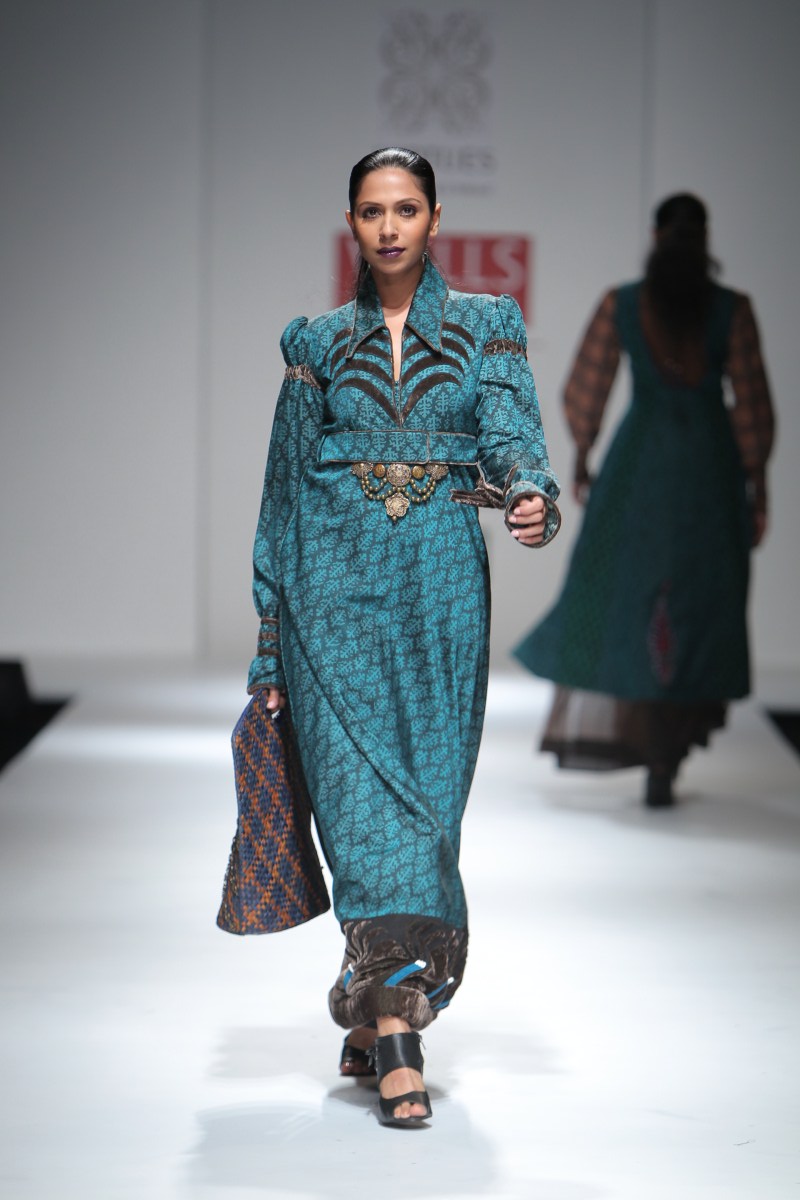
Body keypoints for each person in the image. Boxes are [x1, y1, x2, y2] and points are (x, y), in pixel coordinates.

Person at [246, 147, 560, 1125]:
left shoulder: (485, 325)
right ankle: (396, 1037)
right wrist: (270, 641)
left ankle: (373, 993)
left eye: (407, 208)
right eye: (372, 210)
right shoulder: (315, 343)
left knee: (426, 818)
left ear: (433, 219)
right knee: (359, 815)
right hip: (329, 597)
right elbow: (283, 495)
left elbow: (512, 432)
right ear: (352, 222)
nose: (389, 226)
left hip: (439, 595)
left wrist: (528, 492)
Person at [514, 193, 774, 807]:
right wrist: (756, 482)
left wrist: (583, 454)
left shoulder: (625, 303)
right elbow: (753, 408)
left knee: (628, 593)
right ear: (705, 239)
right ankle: (668, 751)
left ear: (655, 237)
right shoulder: (730, 309)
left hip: (640, 464)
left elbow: (586, 387)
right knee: (697, 600)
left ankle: (654, 745)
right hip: (709, 467)